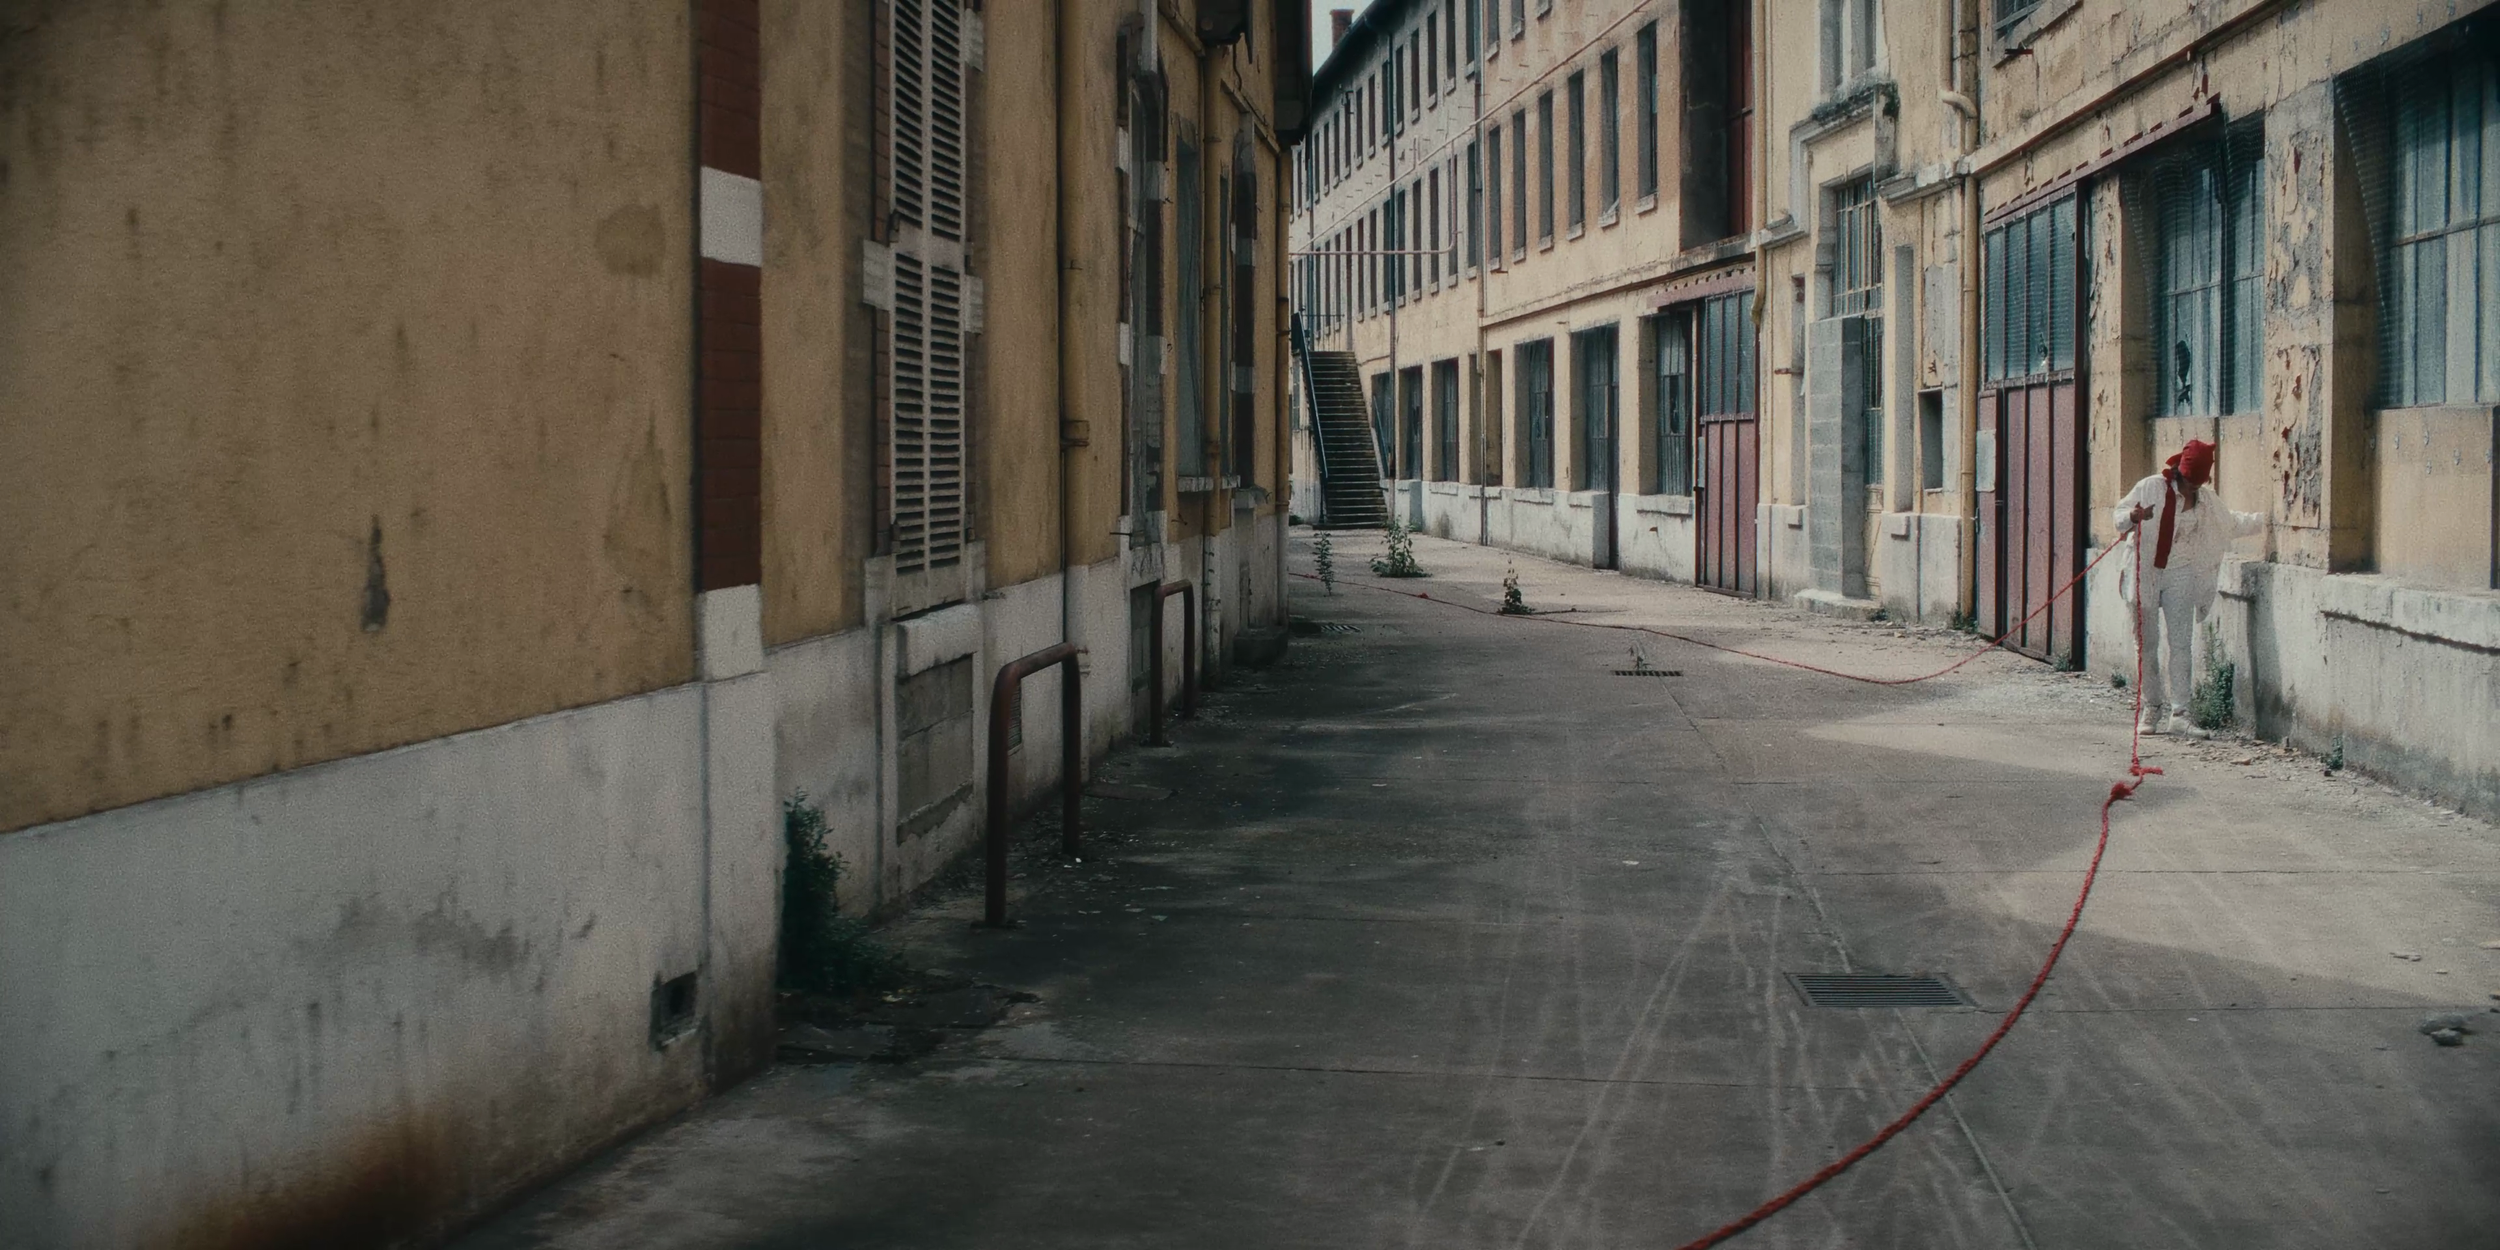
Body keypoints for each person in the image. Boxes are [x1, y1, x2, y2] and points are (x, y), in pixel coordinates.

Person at [2112, 438, 2264, 737]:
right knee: (2146, 644)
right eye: (2188, 485)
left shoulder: (2206, 501)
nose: (2191, 491)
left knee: (2181, 642)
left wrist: (2266, 521)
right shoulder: (2150, 487)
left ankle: (2180, 712)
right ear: (2178, 473)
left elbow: (2229, 523)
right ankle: (2151, 708)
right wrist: (2133, 516)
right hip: (2145, 568)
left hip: (2180, 571)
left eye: (2196, 487)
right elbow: (2118, 517)